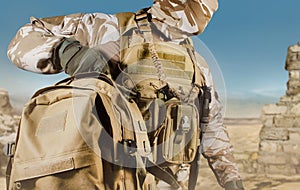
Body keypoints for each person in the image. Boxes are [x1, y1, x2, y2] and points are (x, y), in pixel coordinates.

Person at [7, 0, 244, 189]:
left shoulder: (198, 64)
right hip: (110, 179)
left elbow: (212, 130)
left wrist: (231, 180)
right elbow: (23, 39)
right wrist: (69, 53)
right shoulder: (110, 29)